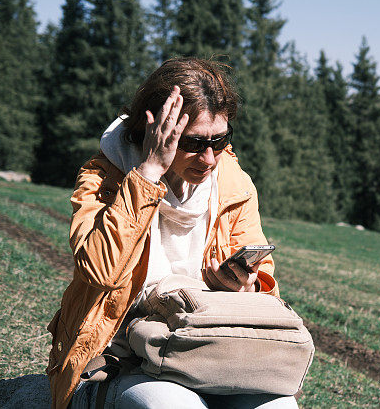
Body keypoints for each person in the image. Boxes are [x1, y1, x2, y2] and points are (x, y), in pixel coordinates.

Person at [46, 58, 296, 409]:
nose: (209, 158)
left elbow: (265, 284)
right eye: (193, 143)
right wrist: (147, 175)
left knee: (279, 407)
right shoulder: (104, 178)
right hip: (123, 360)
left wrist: (245, 285)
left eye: (220, 139)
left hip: (210, 351)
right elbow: (98, 271)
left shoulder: (234, 183)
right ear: (155, 130)